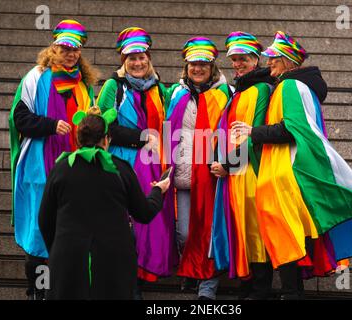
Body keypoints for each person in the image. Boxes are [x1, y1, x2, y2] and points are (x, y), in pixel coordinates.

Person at [232, 31, 352, 299]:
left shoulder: (288, 87)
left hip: (283, 174)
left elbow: (292, 130)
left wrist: (253, 131)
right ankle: (291, 291)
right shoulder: (295, 86)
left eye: (273, 58)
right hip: (282, 172)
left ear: (286, 61)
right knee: (287, 233)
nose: (269, 62)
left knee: (284, 232)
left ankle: (291, 292)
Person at [38, 107, 170, 299]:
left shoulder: (61, 168)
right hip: (113, 260)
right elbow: (144, 212)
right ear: (106, 139)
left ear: (78, 137)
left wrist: (57, 248)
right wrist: (158, 190)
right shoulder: (120, 168)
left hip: (67, 257)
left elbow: (44, 219)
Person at [8, 19, 97, 300]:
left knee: (67, 232)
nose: (70, 54)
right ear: (54, 48)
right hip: (40, 167)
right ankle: (37, 290)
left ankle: (58, 290)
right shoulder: (34, 78)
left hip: (74, 168)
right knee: (38, 233)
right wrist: (50, 125)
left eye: (75, 50)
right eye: (65, 48)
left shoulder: (85, 86)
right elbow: (19, 119)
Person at [96, 27, 177, 294]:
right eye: (131, 58)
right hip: (123, 161)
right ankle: (127, 276)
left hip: (152, 163)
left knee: (149, 219)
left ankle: (143, 274)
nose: (137, 62)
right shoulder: (113, 86)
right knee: (126, 218)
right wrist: (143, 137)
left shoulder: (159, 88)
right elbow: (104, 126)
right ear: (123, 60)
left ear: (149, 58)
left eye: (141, 57)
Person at [164, 37, 232, 300]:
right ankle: (191, 270)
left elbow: (231, 132)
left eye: (203, 64)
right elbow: (169, 131)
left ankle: (207, 287)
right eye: (193, 64)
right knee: (184, 233)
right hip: (182, 174)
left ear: (212, 66)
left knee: (208, 232)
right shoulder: (177, 94)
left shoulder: (224, 94)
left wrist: (230, 165)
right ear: (186, 66)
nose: (198, 68)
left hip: (211, 176)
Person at [210, 31, 275, 300]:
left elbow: (255, 135)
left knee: (255, 229)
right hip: (236, 172)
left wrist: (227, 163)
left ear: (256, 60)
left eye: (244, 59)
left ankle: (260, 289)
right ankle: (249, 286)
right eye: (234, 59)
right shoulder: (240, 89)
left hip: (251, 170)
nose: (238, 64)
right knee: (243, 228)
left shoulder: (260, 89)